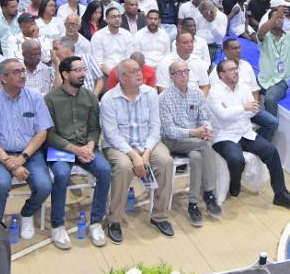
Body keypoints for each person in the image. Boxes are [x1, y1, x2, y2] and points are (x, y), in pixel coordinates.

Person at [207, 59, 290, 209]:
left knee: (271, 151)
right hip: (224, 136)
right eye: (231, 69)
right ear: (221, 74)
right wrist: (243, 107)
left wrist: (236, 110)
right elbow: (223, 116)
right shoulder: (214, 92)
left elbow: (254, 110)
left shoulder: (244, 87)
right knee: (237, 160)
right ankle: (235, 182)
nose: (236, 71)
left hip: (245, 132)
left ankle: (281, 194)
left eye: (236, 69)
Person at [100, 59, 174, 242]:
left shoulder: (150, 93)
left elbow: (155, 127)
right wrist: (134, 156)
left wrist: (146, 154)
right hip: (120, 146)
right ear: (122, 78)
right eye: (133, 71)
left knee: (165, 161)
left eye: (139, 70)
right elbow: (112, 134)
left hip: (146, 143)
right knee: (124, 167)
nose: (140, 73)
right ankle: (114, 220)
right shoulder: (109, 98)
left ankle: (160, 216)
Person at [43, 55, 112, 249]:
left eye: (84, 70)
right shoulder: (50, 99)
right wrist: (75, 149)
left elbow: (94, 128)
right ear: (65, 74)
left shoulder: (90, 96)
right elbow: (49, 134)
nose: (83, 74)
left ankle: (96, 221)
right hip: (61, 149)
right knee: (62, 174)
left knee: (105, 171)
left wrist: (90, 146)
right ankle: (57, 225)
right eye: (78, 70)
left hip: (86, 148)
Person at [0, 59, 53, 234]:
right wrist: (9, 163)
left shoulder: (34, 97)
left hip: (30, 154)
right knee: (0, 184)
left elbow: (41, 133)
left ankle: (27, 214)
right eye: (16, 72)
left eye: (22, 71)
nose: (22, 75)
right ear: (3, 78)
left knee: (44, 185)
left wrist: (21, 159)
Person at [160, 59, 224, 227]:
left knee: (196, 157)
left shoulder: (196, 94)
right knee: (205, 146)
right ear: (171, 76)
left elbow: (204, 117)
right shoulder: (164, 98)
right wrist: (194, 133)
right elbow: (168, 130)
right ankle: (209, 194)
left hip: (193, 141)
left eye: (186, 71)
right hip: (173, 140)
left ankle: (193, 204)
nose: (184, 75)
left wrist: (206, 129)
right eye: (179, 72)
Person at [257, 5, 290, 117]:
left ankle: (270, 128)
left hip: (280, 81)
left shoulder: (289, 36)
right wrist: (276, 15)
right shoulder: (265, 36)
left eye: (281, 18)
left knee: (270, 99)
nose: (279, 19)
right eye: (276, 17)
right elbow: (260, 33)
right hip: (262, 79)